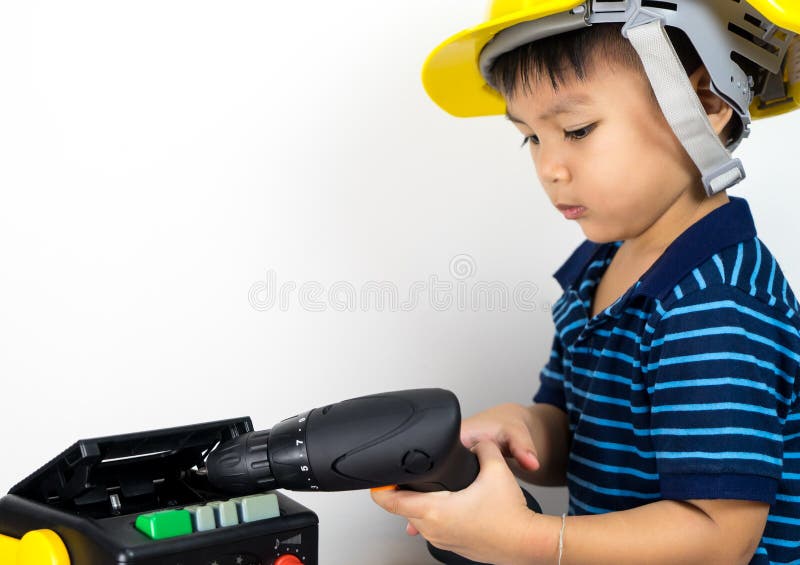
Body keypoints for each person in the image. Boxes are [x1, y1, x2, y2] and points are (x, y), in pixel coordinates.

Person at [371, 1, 800, 564]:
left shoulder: (716, 302)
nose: (550, 167)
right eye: (531, 137)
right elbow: (579, 432)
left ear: (705, 104)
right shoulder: (599, 268)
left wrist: (526, 540)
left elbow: (719, 540)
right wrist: (522, 429)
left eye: (577, 129)